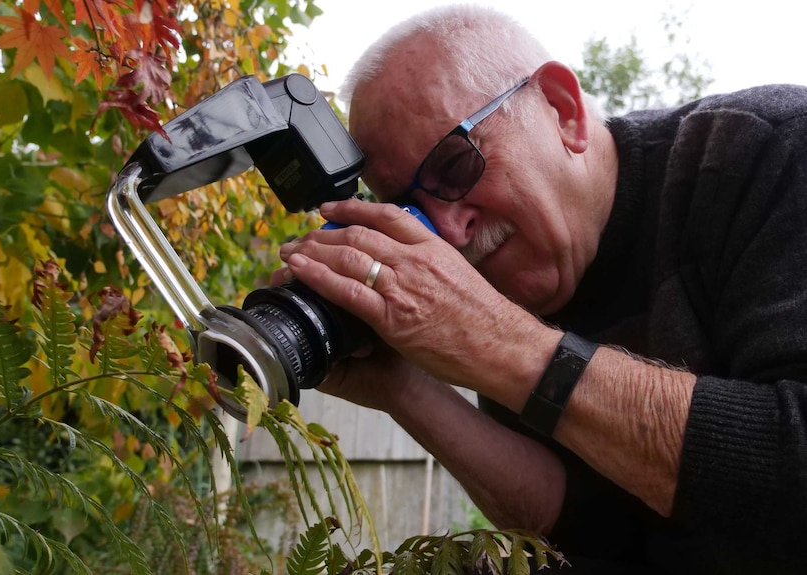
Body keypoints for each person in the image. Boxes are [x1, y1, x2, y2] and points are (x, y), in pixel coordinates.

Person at [272, 4, 807, 574]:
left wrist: (499, 344)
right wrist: (400, 388)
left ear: (562, 110)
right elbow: (594, 530)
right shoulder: (511, 288)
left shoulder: (765, 151)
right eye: (411, 210)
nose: (449, 232)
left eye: (456, 166)